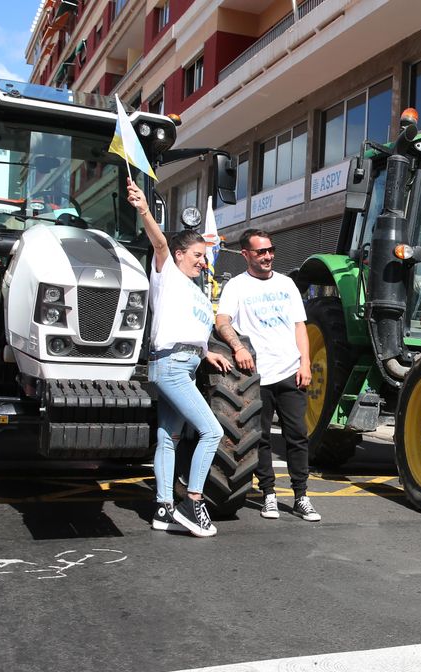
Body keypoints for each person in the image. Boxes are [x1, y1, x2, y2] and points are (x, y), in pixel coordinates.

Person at [128, 175, 230, 538]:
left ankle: (162, 508)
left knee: (168, 438)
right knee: (212, 430)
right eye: (198, 255)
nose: (204, 262)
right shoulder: (167, 273)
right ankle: (192, 501)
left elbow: (196, 331)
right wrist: (143, 209)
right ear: (180, 254)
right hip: (169, 365)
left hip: (185, 364)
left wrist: (208, 354)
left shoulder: (197, 293)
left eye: (205, 257)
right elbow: (158, 241)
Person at [215, 229, 320, 522]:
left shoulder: (287, 284)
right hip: (255, 375)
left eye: (270, 250)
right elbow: (222, 320)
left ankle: (301, 496)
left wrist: (306, 364)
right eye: (261, 252)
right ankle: (269, 495)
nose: (268, 256)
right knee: (260, 439)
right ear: (246, 254)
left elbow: (300, 327)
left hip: (289, 371)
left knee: (297, 436)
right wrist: (236, 346)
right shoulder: (236, 287)